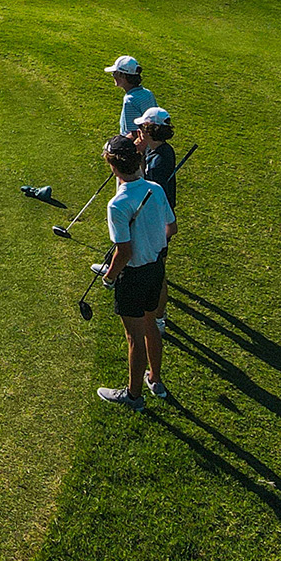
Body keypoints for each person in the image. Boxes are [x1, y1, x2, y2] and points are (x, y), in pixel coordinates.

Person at [95, 134, 176, 410]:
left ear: (113, 167)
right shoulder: (155, 188)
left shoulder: (117, 204)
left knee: (134, 337)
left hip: (133, 276)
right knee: (151, 325)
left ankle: (133, 396)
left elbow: (124, 251)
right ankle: (155, 379)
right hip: (156, 269)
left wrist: (109, 278)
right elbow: (171, 228)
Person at [133, 107, 177, 333]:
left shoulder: (159, 161)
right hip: (156, 220)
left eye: (142, 126)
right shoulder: (158, 150)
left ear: (151, 130)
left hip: (158, 223)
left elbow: (146, 189)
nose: (139, 130)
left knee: (158, 273)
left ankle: (159, 318)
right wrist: (140, 154)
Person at [105, 55, 157, 137]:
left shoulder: (130, 100)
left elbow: (133, 133)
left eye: (114, 73)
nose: (113, 76)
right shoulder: (148, 93)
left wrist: (118, 143)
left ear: (123, 76)